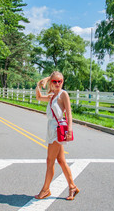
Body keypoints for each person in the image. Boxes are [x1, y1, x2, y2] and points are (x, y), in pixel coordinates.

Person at [34, 71, 79, 201]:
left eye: (60, 81)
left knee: (50, 161)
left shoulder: (63, 94)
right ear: (51, 83)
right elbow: (38, 97)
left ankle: (45, 190)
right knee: (61, 160)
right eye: (55, 81)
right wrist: (39, 84)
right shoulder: (52, 96)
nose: (58, 83)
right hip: (52, 128)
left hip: (57, 130)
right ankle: (72, 187)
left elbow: (69, 114)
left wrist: (69, 130)